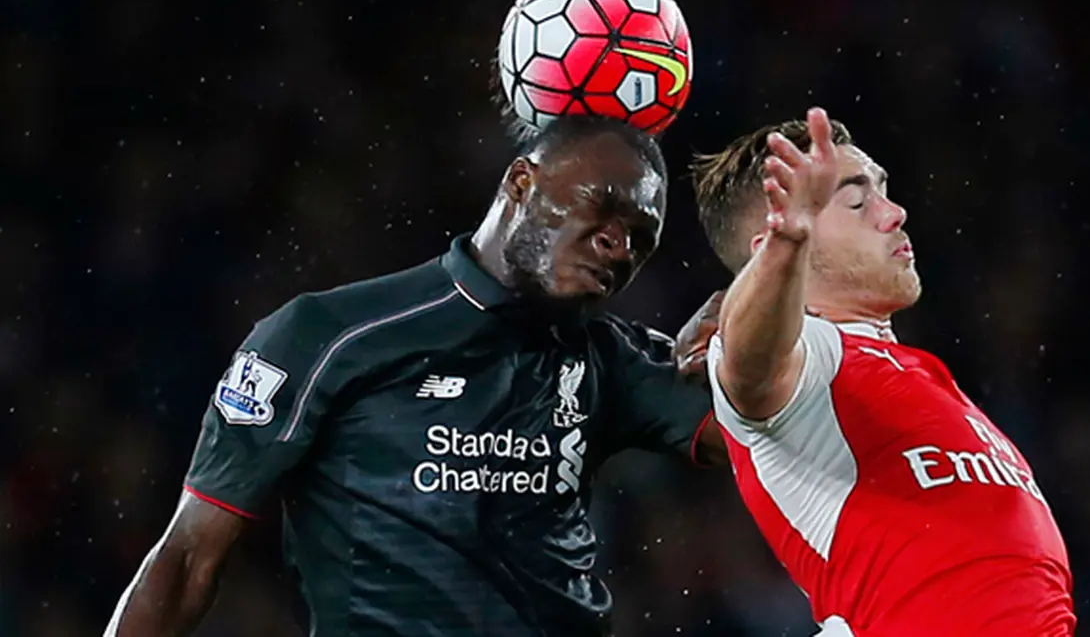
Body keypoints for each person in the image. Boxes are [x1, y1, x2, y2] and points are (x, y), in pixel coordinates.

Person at [105, 115, 725, 637]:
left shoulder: (614, 360)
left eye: (642, 238)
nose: (620, 244)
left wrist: (757, 316)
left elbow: (771, 422)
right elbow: (188, 558)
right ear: (519, 181)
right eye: (604, 208)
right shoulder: (327, 335)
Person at [686, 108, 1075, 636]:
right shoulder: (812, 364)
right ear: (772, 241)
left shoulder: (925, 375)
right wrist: (788, 243)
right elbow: (748, 365)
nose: (894, 213)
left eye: (883, 191)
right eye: (856, 200)